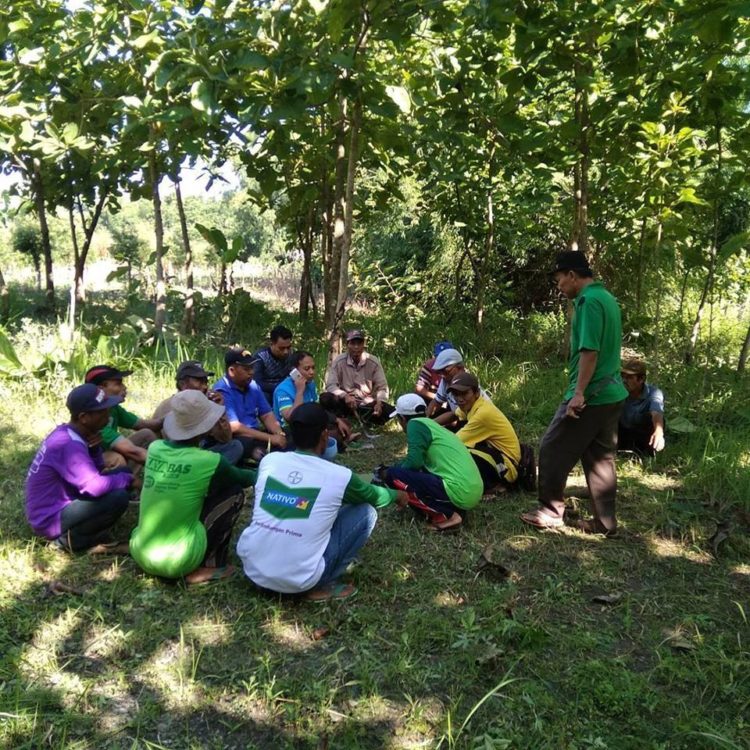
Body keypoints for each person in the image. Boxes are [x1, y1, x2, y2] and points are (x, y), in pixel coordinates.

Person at [236, 403, 407, 601]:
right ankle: (324, 582)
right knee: (366, 512)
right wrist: (398, 495)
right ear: (325, 436)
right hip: (301, 581)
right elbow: (374, 496)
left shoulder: (270, 462)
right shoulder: (340, 476)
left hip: (253, 572)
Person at [521, 250, 628, 537]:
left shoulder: (588, 301)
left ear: (572, 275)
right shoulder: (606, 297)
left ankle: (550, 511)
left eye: (559, 281)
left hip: (592, 394)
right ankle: (604, 522)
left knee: (553, 447)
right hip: (612, 392)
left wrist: (578, 393)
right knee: (600, 459)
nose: (559, 287)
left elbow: (589, 351)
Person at [130, 390, 256, 585]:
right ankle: (210, 564)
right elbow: (246, 478)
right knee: (234, 493)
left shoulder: (155, 448)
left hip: (139, 550)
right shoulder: (210, 460)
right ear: (205, 428)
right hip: (179, 561)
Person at [25, 383, 135, 552]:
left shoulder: (71, 433)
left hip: (63, 503)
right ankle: (68, 541)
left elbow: (96, 472)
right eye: (103, 411)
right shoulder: (68, 444)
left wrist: (94, 450)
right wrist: (128, 480)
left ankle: (84, 531)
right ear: (84, 417)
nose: (108, 415)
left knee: (123, 471)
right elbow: (94, 486)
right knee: (119, 495)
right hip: (49, 519)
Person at [382, 394, 483, 532]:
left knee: (392, 475)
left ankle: (447, 516)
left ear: (403, 419)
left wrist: (393, 472)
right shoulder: (432, 425)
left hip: (458, 490)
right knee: (408, 472)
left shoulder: (414, 425)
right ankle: (452, 509)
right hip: (471, 490)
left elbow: (414, 463)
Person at [152, 359, 244, 466]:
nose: (205, 387)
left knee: (235, 446)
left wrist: (220, 412)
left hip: (200, 453)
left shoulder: (205, 406)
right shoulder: (168, 406)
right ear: (183, 385)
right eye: (199, 382)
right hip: (178, 458)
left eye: (205, 382)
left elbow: (225, 439)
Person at [448, 372, 522, 493]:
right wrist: (427, 423)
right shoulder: (472, 406)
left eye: (464, 393)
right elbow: (453, 414)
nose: (460, 399)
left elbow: (454, 443)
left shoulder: (483, 413)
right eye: (456, 395)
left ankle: (494, 486)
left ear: (476, 393)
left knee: (461, 452)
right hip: (498, 457)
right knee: (460, 428)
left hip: (508, 467)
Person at [272, 350, 353, 459]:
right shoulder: (283, 390)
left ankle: (338, 438)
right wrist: (299, 391)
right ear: (294, 371)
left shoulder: (310, 384)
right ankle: (337, 441)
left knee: (343, 423)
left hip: (311, 425)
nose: (311, 372)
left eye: (313, 368)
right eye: (307, 369)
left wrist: (336, 420)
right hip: (293, 430)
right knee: (326, 436)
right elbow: (291, 418)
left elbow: (315, 409)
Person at [212, 348, 287, 462]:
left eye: (252, 368)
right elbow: (235, 427)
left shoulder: (253, 385)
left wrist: (278, 433)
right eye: (246, 369)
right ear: (232, 371)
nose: (251, 372)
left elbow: (266, 414)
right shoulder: (222, 390)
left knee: (290, 435)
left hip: (255, 434)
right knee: (243, 446)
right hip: (238, 438)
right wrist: (272, 439)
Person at [84, 365, 163, 467]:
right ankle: (131, 481)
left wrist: (172, 416)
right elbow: (132, 451)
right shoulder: (95, 420)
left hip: (108, 452)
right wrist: (169, 464)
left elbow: (143, 424)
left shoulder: (113, 409)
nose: (124, 387)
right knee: (116, 459)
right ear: (101, 389)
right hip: (91, 463)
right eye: (118, 384)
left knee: (146, 434)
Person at [323, 329, 393, 426]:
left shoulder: (373, 361)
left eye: (359, 343)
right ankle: (344, 417)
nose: (356, 347)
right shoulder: (339, 361)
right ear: (347, 345)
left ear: (363, 344)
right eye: (353, 343)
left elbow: (382, 387)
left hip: (366, 403)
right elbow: (331, 385)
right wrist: (345, 396)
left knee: (389, 411)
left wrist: (379, 402)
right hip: (345, 402)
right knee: (326, 398)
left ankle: (365, 418)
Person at [426, 347, 489, 427]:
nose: (442, 375)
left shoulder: (467, 383)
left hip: (477, 422)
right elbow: (438, 403)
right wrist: (427, 420)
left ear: (460, 368)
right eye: (439, 372)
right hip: (462, 418)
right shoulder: (446, 379)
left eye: (445, 371)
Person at [618, 357, 665, 457]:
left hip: (640, 434)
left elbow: (656, 413)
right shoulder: (618, 391)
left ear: (641, 379)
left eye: (629, 377)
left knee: (654, 421)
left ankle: (646, 453)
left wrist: (659, 432)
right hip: (621, 432)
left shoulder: (653, 393)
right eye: (623, 376)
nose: (624, 380)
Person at [252, 325, 294, 404]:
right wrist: (279, 388)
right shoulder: (260, 357)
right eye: (281, 348)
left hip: (287, 390)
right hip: (268, 393)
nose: (286, 352)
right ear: (272, 344)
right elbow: (257, 383)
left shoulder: (291, 356)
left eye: (288, 348)